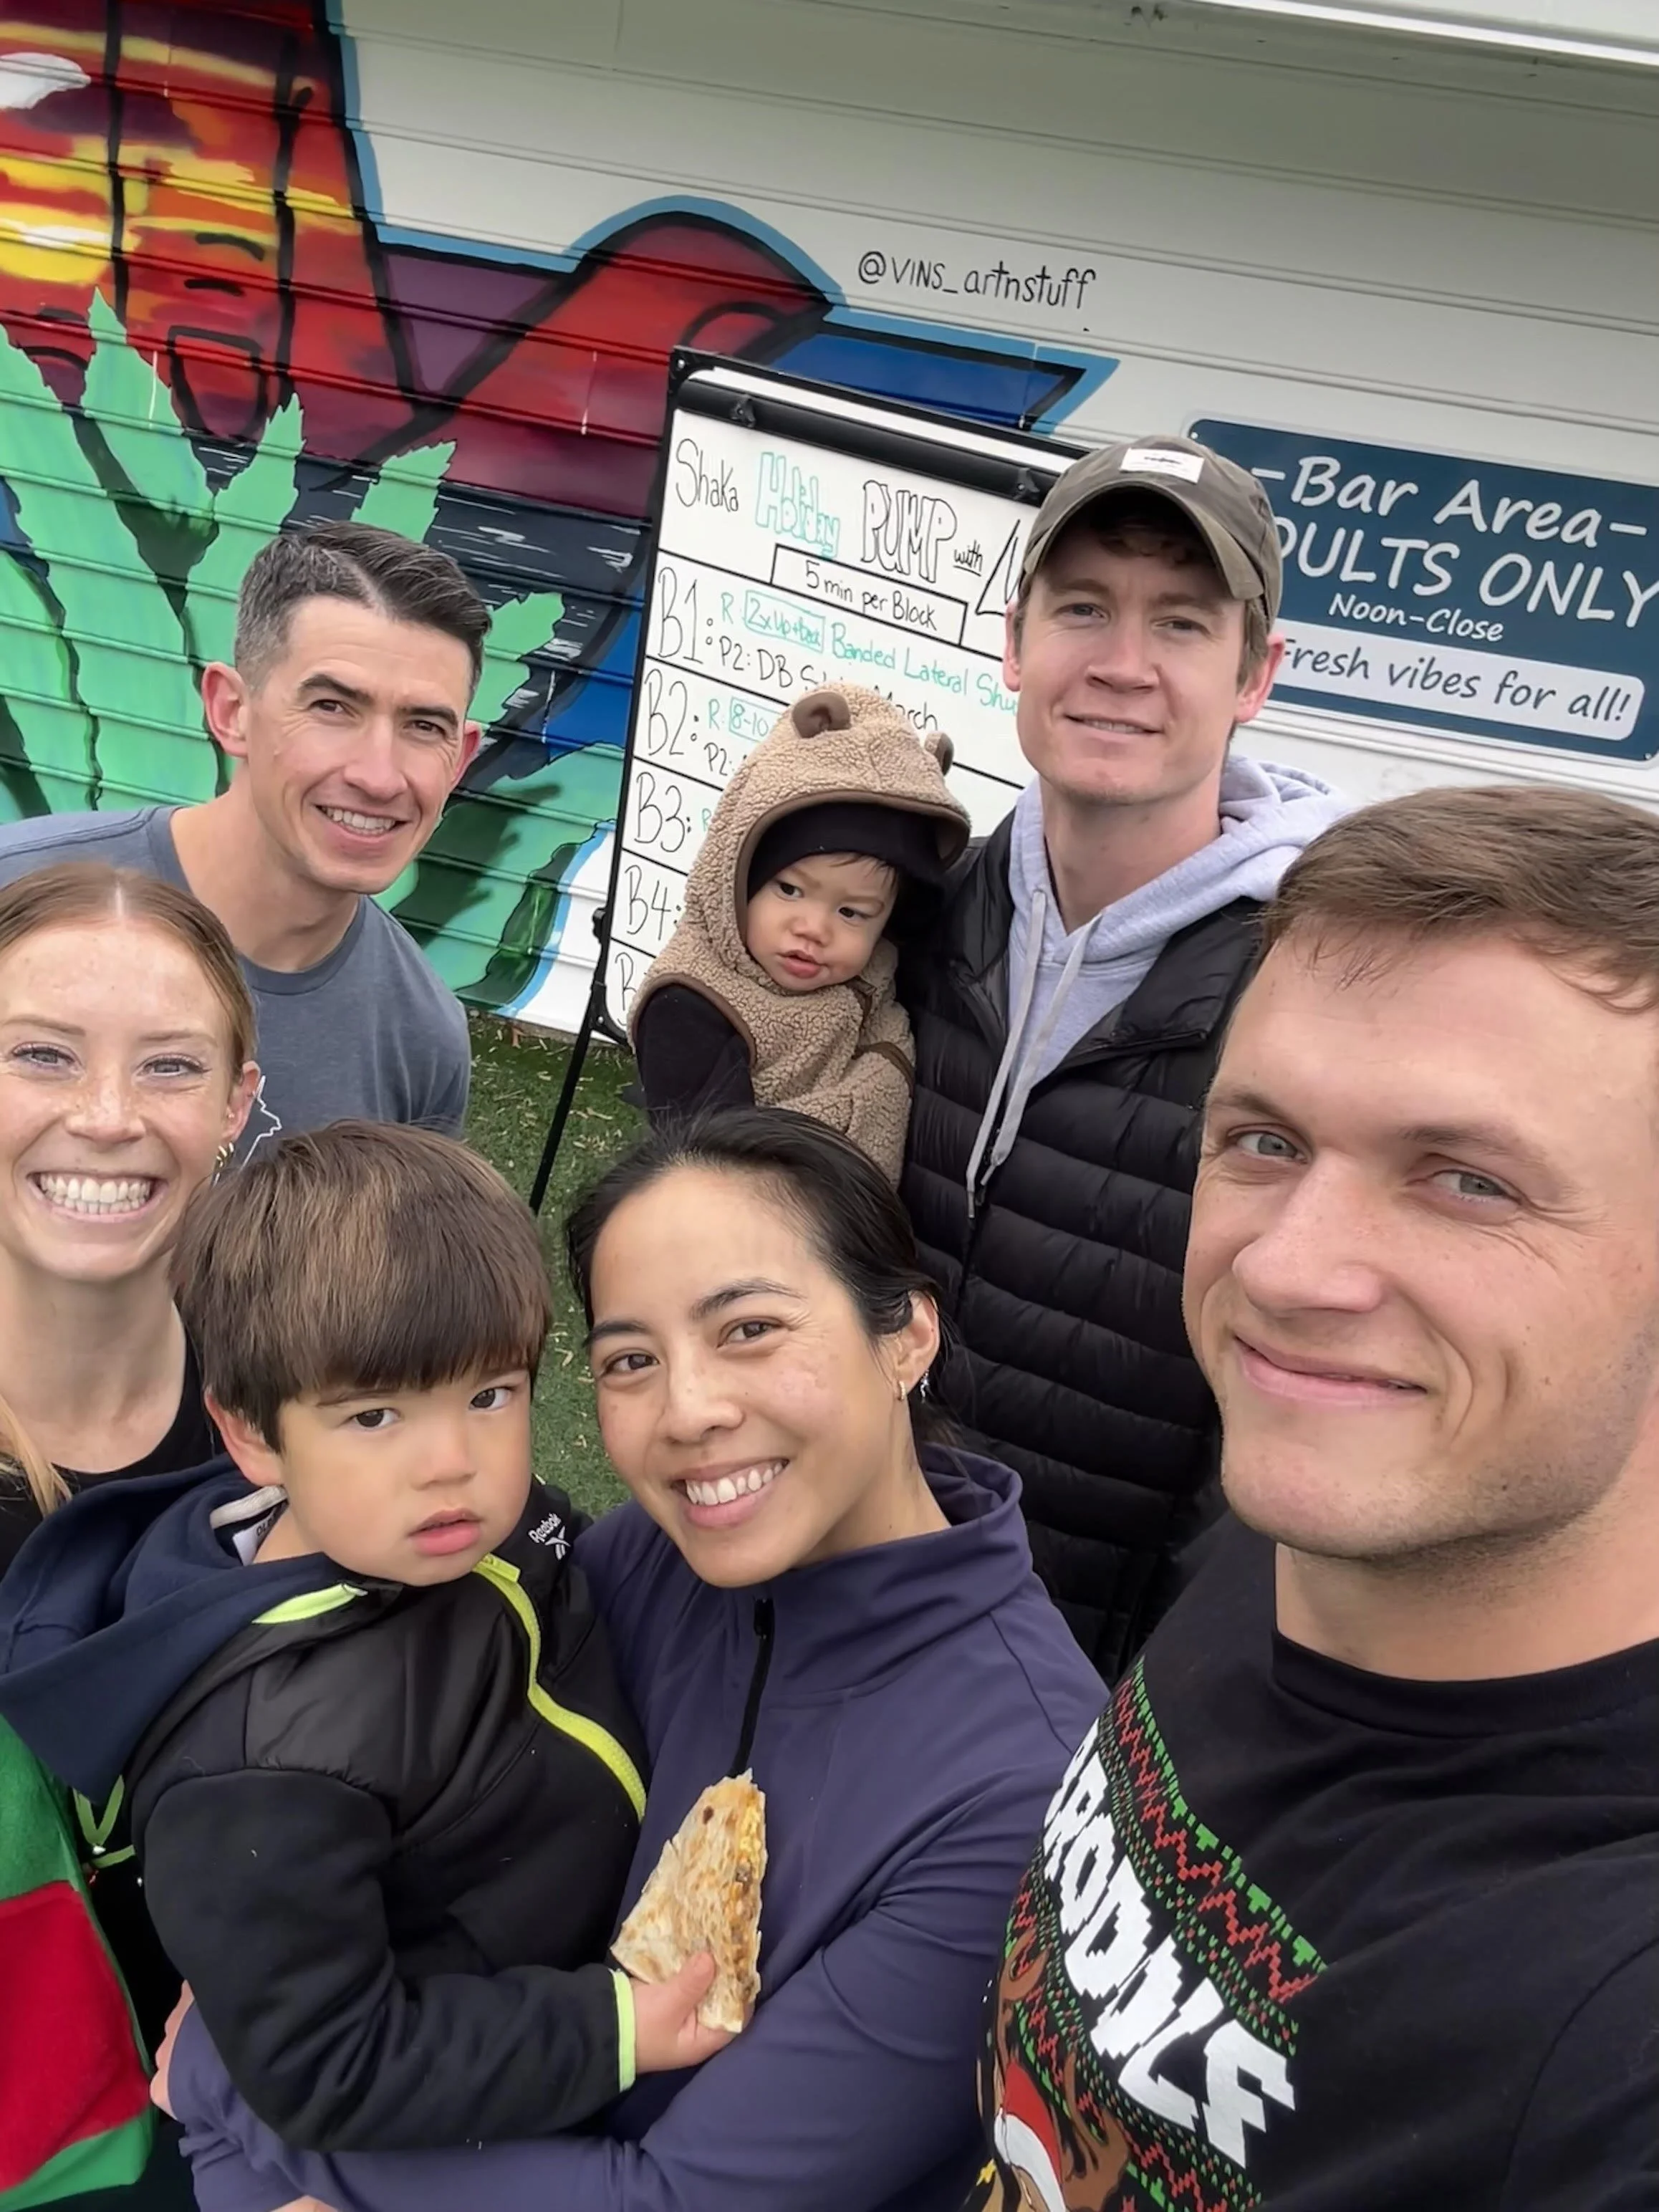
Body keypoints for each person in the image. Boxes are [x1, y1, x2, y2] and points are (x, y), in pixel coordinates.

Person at [155, 1109, 1105, 2212]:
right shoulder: (644, 1561)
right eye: (630, 1360)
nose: (689, 1411)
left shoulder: (1014, 1793)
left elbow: (681, 2202)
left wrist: (237, 2084)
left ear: (908, 1337)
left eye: (749, 1329)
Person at [970, 785, 1659, 2212]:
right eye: (1265, 1141)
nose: (1283, 1270)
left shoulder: (1608, 2012)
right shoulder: (1290, 1528)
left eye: (1468, 1179)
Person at [0, 1120, 741, 2156]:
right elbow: (329, 2067)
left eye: (491, 1396)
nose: (453, 1462)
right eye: (374, 1418)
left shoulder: (440, 1532)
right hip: (499, 2107)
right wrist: (610, 2028)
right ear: (253, 1434)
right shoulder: (257, 1767)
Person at [898, 432, 1347, 1675]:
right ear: (1015, 642)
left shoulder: (1312, 986)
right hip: (861, 1597)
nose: (1123, 665)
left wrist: (1171, 1691)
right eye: (1084, 607)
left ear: (1257, 674)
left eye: (1184, 624)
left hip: (1100, 1690)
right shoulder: (929, 902)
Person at [0, 860, 258, 2211]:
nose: (105, 1118)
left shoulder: (306, 1431)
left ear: (236, 1104)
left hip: (223, 2145)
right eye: (42, 1053)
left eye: (167, 1066)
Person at [0, 522, 484, 1160]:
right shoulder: (17, 892)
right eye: (332, 708)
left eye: (424, 726)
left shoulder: (420, 1040)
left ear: (460, 759)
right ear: (231, 711)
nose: (378, 775)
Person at [630, 683, 968, 1181]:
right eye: (789, 890)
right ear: (736, 878)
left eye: (852, 913)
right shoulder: (692, 1004)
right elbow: (715, 1172)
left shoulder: (877, 982)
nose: (813, 929)